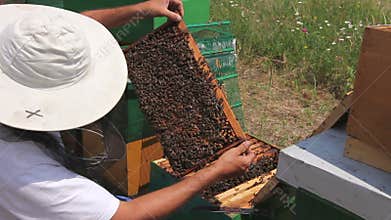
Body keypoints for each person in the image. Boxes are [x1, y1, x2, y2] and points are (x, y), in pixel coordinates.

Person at [0, 1, 256, 220]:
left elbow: (64, 33)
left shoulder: (14, 51)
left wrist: (140, 9)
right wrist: (213, 172)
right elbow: (126, 215)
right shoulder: (26, 172)